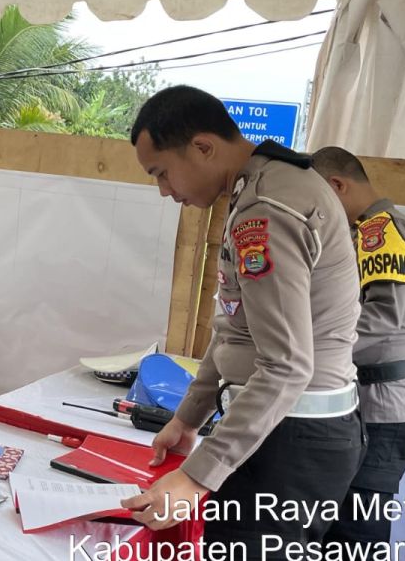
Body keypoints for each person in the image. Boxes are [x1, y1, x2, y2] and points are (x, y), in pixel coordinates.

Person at [120, 86, 364, 553]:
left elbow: (287, 365)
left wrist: (195, 478)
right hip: (284, 430)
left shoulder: (267, 208)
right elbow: (236, 327)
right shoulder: (261, 187)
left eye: (162, 173)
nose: (165, 191)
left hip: (290, 441)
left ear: (204, 147)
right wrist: (189, 417)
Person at [312, 147, 405, 549]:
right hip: (364, 402)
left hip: (381, 409)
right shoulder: (365, 232)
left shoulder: (380, 232)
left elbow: (381, 321)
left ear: (336, 186)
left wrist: (309, 352)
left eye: (319, 198)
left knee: (355, 534)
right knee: (336, 530)